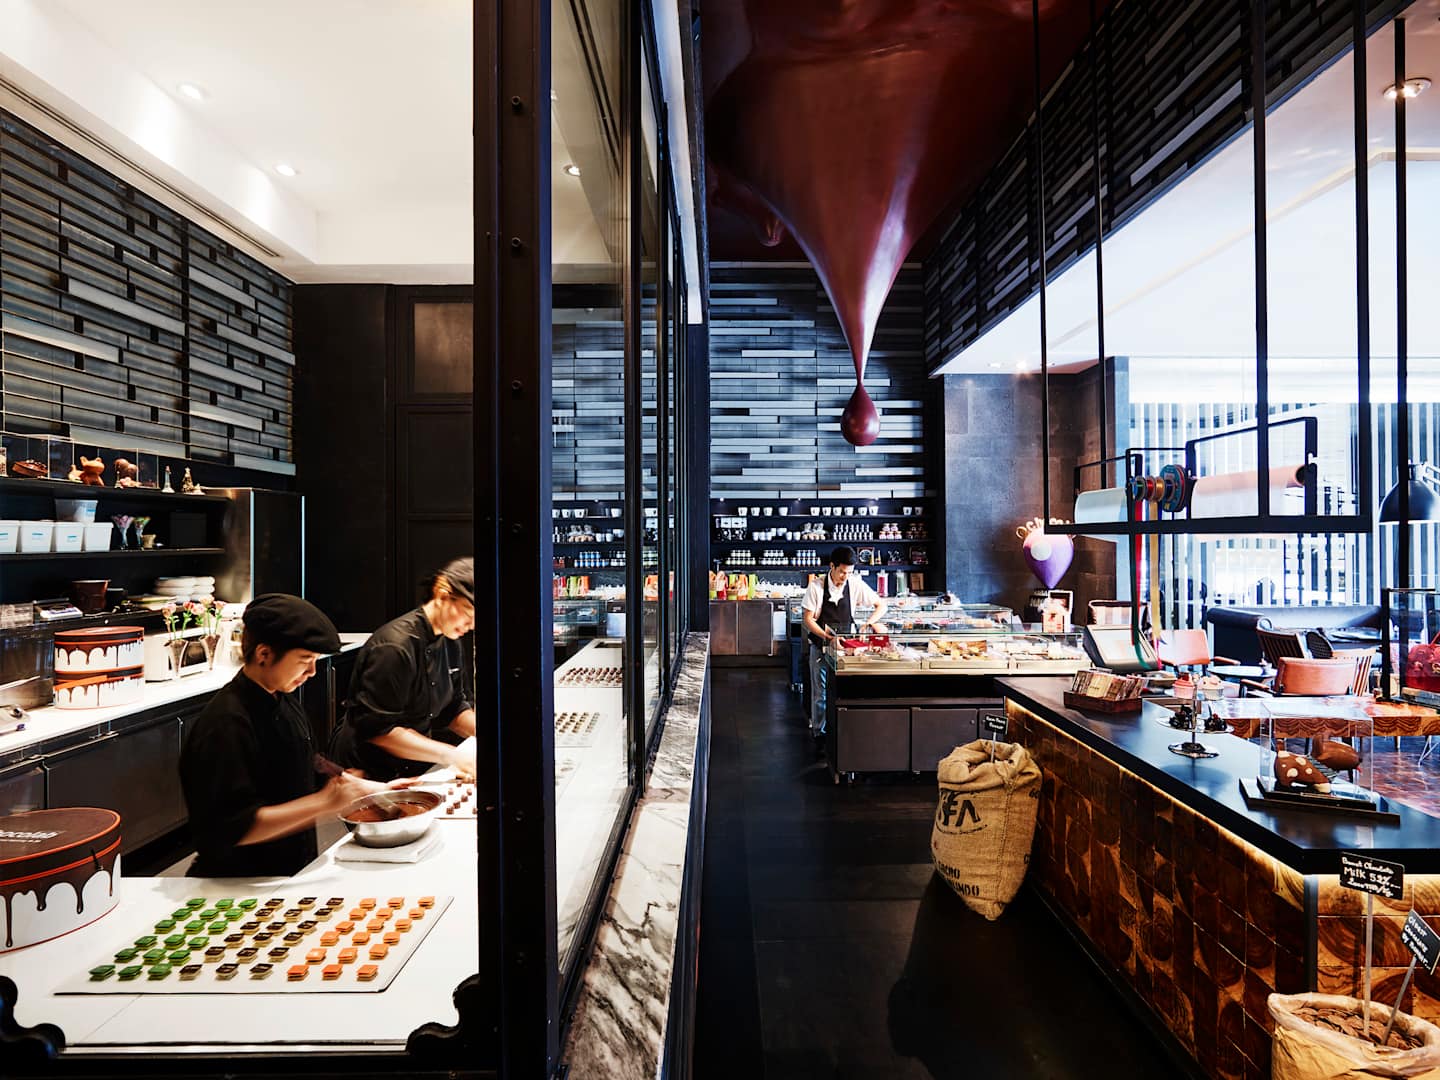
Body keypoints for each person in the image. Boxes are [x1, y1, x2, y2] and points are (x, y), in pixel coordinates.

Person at [180, 594, 391, 878]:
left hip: (289, 872)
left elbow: (307, 760)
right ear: (264, 654)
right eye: (305, 660)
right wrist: (324, 803)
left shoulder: (282, 698)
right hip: (236, 885)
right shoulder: (225, 723)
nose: (312, 671)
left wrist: (377, 790)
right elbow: (234, 827)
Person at [329, 557, 478, 782]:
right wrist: (453, 755)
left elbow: (454, 708)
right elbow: (380, 731)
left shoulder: (450, 641)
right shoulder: (395, 647)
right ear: (442, 595)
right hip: (366, 773)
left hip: (409, 769)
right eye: (468, 615)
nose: (472, 625)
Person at [801, 546, 888, 742]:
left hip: (847, 648)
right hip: (821, 646)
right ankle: (820, 735)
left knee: (845, 690)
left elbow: (881, 605)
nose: (845, 576)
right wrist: (828, 638)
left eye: (849, 572)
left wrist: (868, 623)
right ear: (832, 566)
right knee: (820, 693)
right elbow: (807, 619)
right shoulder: (816, 586)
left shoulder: (855, 584)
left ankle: (842, 734)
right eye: (842, 572)